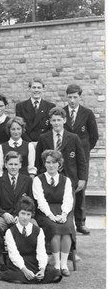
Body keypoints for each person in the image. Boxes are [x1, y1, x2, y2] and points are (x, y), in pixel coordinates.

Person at [0, 196, 62, 284]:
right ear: (18, 214)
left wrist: (42, 269)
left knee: (55, 274)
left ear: (31, 215)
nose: (25, 217)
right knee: (15, 276)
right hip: (19, 264)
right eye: (23, 213)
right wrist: (25, 270)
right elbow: (14, 255)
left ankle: (34, 275)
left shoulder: (38, 231)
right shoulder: (10, 232)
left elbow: (41, 252)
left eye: (28, 214)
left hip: (34, 261)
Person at [35, 107, 87, 236]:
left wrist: (82, 178)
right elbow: (38, 161)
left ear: (64, 120)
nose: (56, 123)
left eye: (59, 120)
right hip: (50, 178)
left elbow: (81, 160)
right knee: (50, 208)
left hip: (69, 177)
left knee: (69, 210)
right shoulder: (44, 138)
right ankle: (51, 242)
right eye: (54, 120)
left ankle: (72, 247)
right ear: (50, 122)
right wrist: (41, 177)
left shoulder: (73, 138)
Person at [33, 150, 75, 277]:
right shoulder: (38, 180)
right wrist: (50, 215)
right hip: (45, 212)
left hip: (62, 211)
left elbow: (68, 198)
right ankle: (56, 264)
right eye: (48, 162)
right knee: (54, 228)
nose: (51, 165)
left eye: (54, 162)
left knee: (67, 228)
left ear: (59, 164)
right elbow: (40, 200)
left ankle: (64, 264)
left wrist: (64, 214)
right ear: (44, 164)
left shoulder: (66, 180)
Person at [0, 151, 34, 269]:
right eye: (10, 164)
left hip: (22, 215)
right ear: (5, 165)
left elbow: (31, 202)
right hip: (4, 215)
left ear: (20, 165)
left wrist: (21, 215)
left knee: (34, 226)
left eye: (16, 164)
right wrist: (4, 214)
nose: (13, 167)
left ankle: (28, 258)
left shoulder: (28, 180)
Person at [63, 84, 98, 235]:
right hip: (64, 159)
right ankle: (66, 220)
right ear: (67, 97)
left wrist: (83, 152)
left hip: (81, 158)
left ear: (80, 97)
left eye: (75, 97)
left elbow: (94, 135)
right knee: (65, 189)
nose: (72, 100)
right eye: (69, 97)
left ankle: (80, 222)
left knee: (80, 188)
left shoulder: (87, 113)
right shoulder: (62, 113)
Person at [15, 77, 56, 143]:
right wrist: (30, 143)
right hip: (27, 143)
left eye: (39, 88)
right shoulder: (20, 106)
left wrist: (40, 142)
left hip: (44, 142)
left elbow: (51, 127)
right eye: (34, 87)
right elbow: (20, 127)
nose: (36, 90)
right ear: (29, 89)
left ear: (43, 89)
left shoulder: (50, 106)